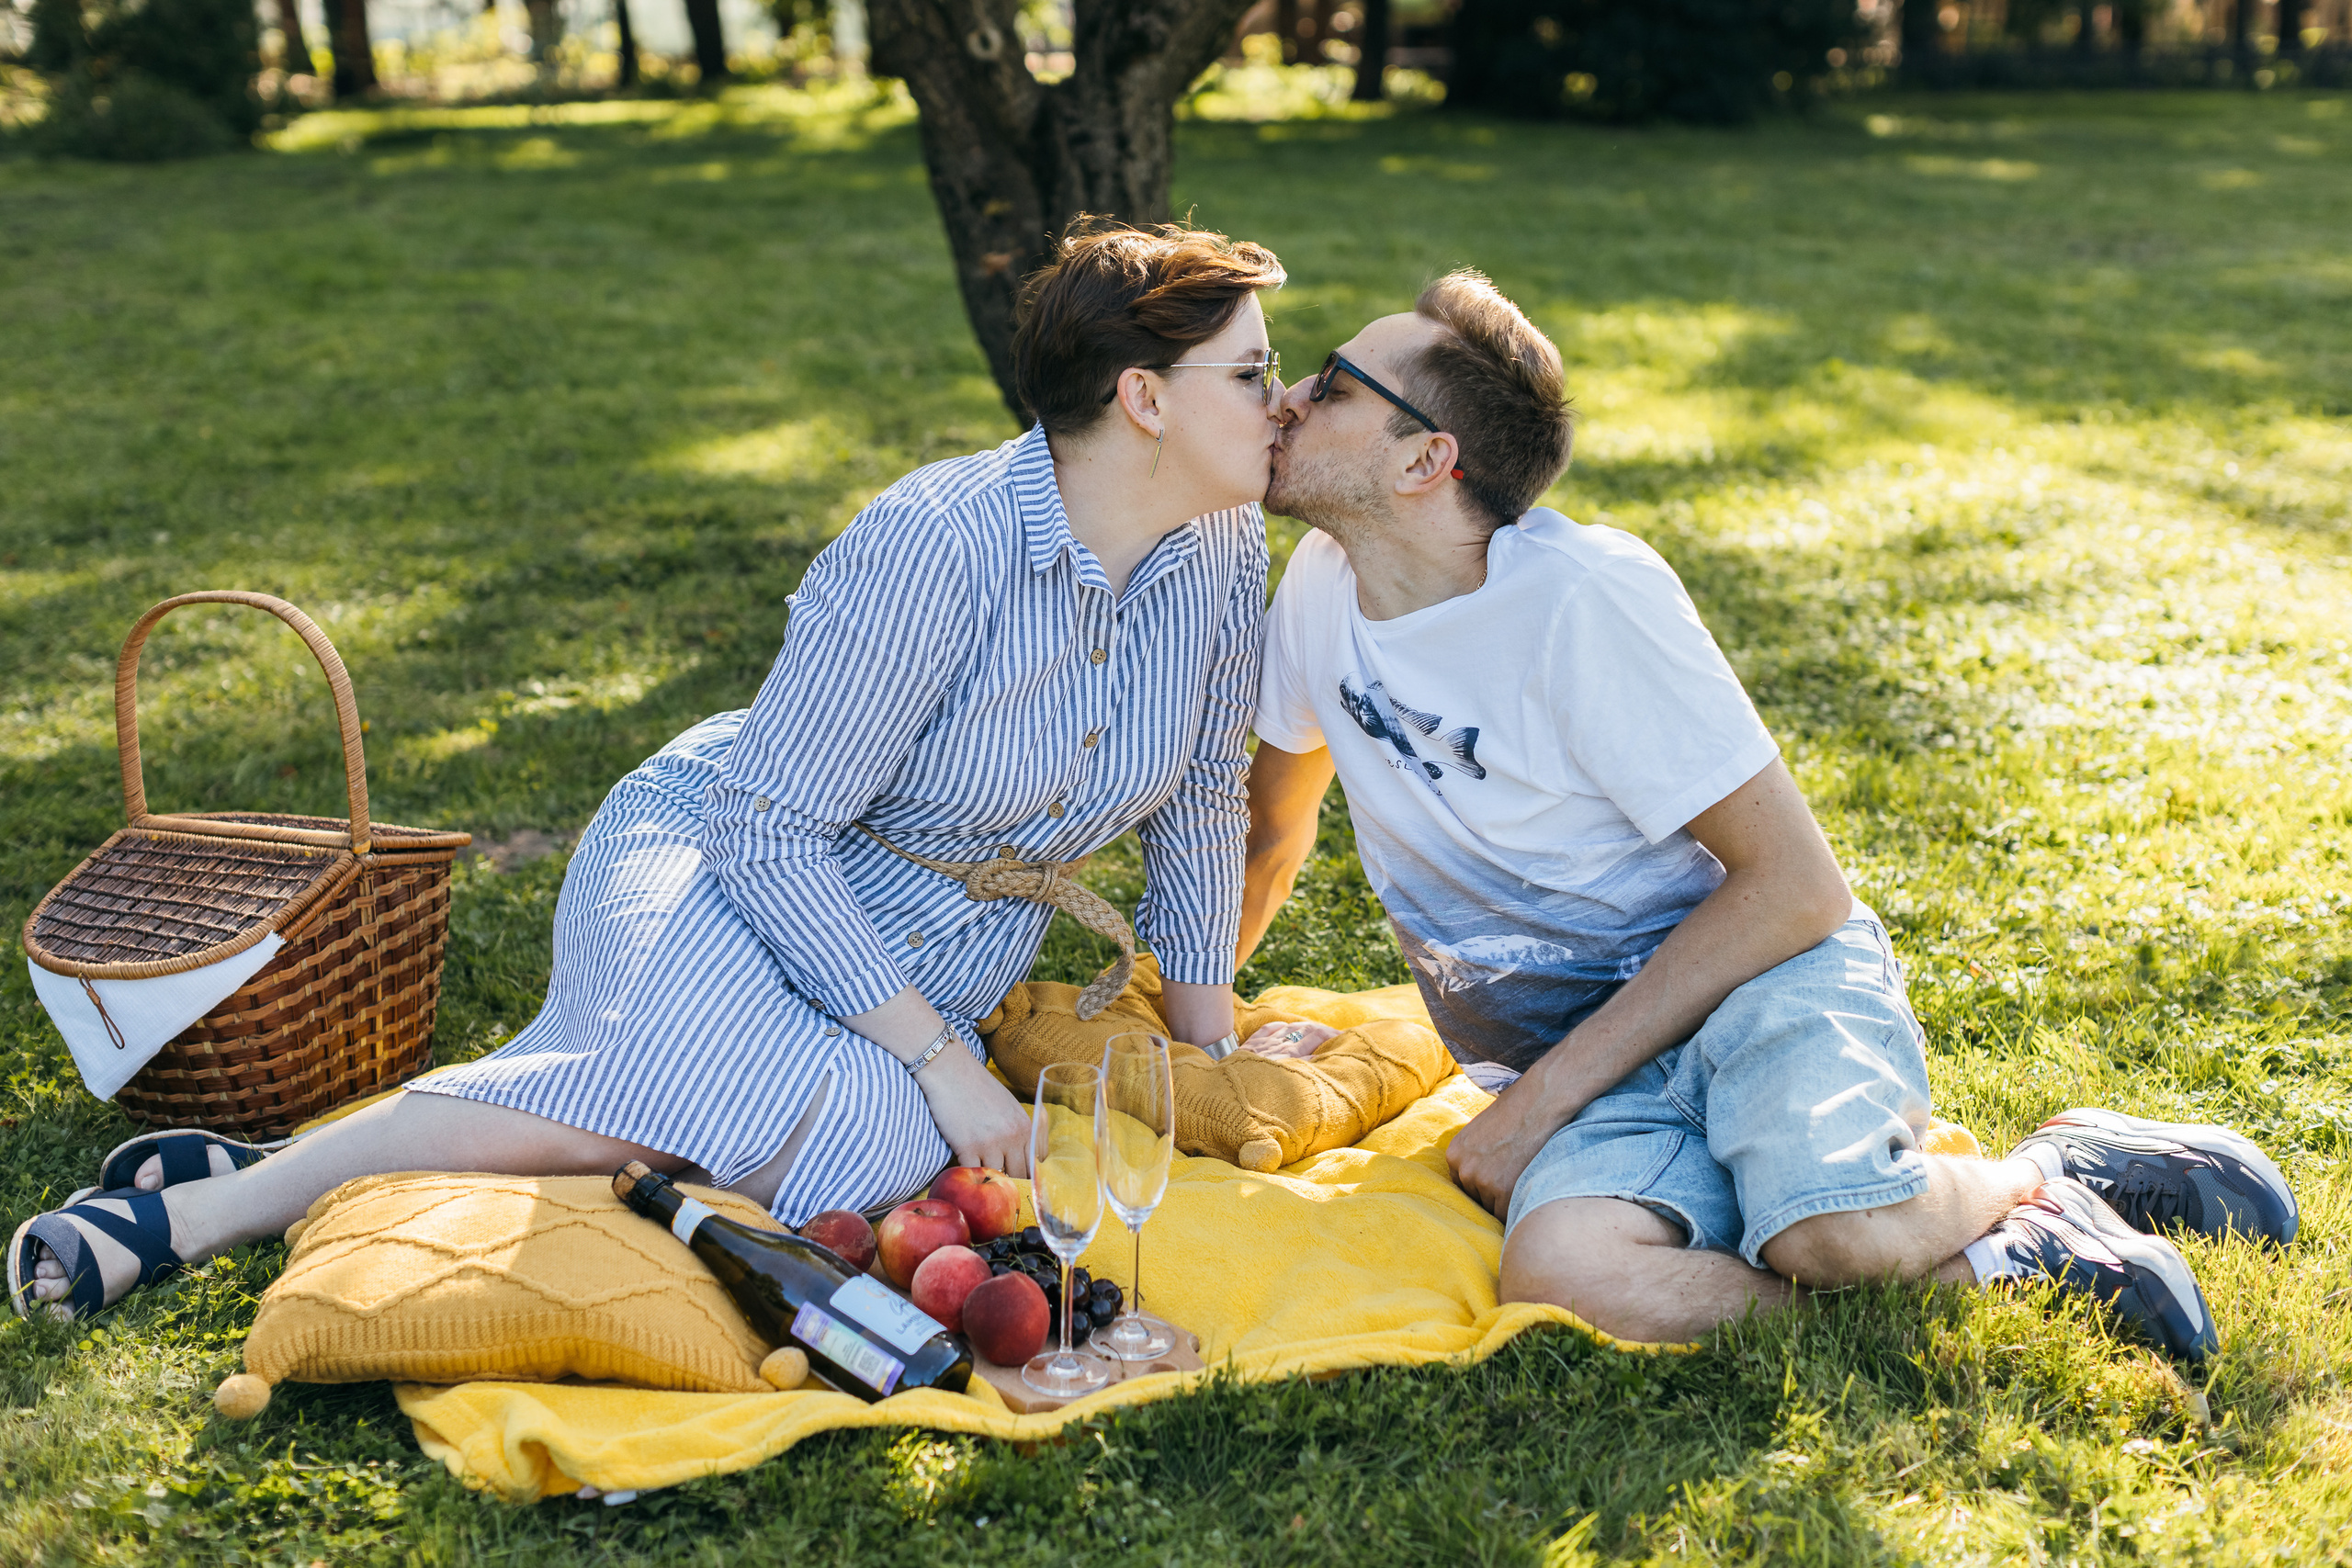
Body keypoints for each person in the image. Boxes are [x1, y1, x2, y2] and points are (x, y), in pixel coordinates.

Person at [15, 221, 1289, 1322]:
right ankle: (213, 1211)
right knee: (734, 1102)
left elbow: (1199, 798)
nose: (1278, 400)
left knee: (860, 1152)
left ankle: (327, 1148)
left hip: (926, 944)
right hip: (733, 860)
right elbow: (771, 827)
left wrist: (1209, 1040)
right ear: (1145, 398)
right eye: (1251, 370)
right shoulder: (935, 544)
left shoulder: (1225, 549)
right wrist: (939, 1057)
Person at [1233, 271, 2296, 1357]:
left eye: (1332, 385)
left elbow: (1797, 888)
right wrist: (1193, 1022)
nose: (1287, 398)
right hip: (1606, 1069)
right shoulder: (1319, 589)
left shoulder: (1580, 602)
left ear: (1424, 460)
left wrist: (1537, 1101)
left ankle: (2045, 1170)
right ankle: (1989, 1263)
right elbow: (1271, 835)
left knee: (1828, 1234)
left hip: (1756, 983)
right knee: (1564, 1275)